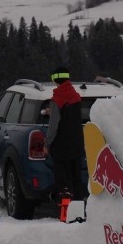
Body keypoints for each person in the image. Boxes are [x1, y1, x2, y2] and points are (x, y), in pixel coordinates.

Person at [43, 66, 87, 222]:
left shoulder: (57, 99)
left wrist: (47, 144)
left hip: (61, 148)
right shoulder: (76, 97)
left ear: (55, 79)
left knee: (64, 183)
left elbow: (54, 126)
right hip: (76, 145)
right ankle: (80, 214)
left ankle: (65, 215)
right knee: (76, 180)